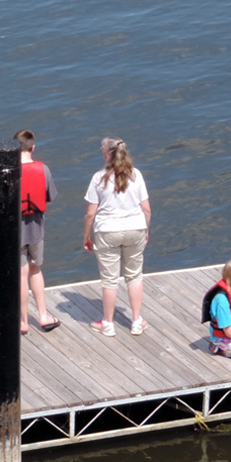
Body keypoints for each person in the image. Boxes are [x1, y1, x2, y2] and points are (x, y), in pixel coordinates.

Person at [82, 138, 151, 337]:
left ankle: (108, 323)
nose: (101, 151)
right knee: (134, 275)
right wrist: (145, 229)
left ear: (108, 153)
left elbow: (90, 213)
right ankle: (137, 321)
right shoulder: (136, 175)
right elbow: (146, 208)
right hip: (135, 228)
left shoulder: (99, 178)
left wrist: (87, 236)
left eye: (102, 149)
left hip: (107, 231)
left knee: (109, 280)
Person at [13, 130, 60, 333]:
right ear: (33, 147)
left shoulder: (10, 172)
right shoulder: (44, 170)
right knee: (36, 270)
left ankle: (23, 322)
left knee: (21, 274)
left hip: (15, 231)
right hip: (36, 229)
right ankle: (43, 316)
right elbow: (48, 198)